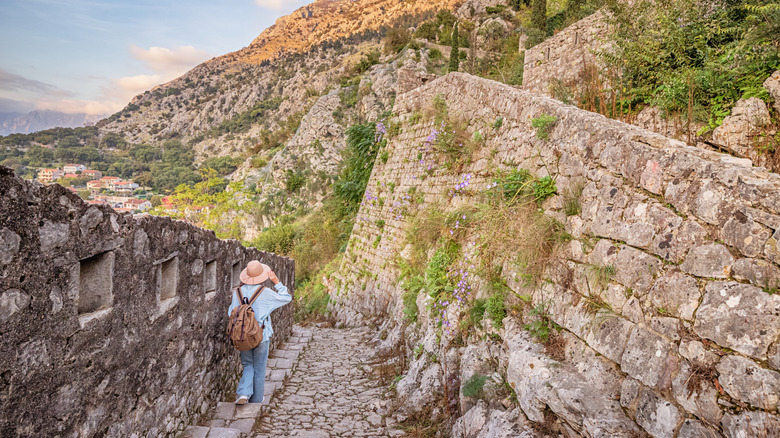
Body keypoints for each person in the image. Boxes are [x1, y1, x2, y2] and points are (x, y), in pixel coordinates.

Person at [228, 260, 292, 405]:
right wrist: (277, 282)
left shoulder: (237, 292)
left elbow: (230, 313)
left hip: (242, 336)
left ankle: (244, 393)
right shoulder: (265, 293)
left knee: (247, 364)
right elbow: (286, 298)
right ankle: (256, 400)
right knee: (259, 366)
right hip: (261, 335)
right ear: (262, 276)